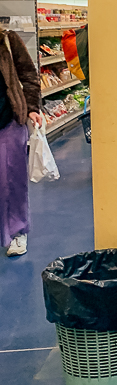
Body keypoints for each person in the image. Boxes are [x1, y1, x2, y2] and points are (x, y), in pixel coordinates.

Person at [0, 30, 42, 256]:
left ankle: (17, 232)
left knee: (12, 180)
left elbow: (28, 74)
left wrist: (32, 108)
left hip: (8, 120)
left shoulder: (7, 40)